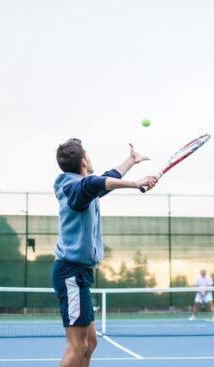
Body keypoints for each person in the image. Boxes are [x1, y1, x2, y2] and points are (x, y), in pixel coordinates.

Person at [51, 138, 158, 367]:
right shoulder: (74, 188)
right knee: (77, 345)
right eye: (88, 155)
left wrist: (131, 161)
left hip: (81, 274)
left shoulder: (82, 188)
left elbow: (103, 180)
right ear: (83, 162)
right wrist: (136, 183)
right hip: (71, 273)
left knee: (90, 341)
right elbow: (95, 183)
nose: (90, 158)